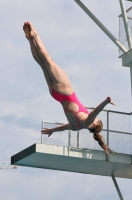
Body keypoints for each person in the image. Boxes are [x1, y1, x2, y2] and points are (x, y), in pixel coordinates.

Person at [23, 21, 115, 154]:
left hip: (65, 91)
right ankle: (31, 40)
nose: (94, 118)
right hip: (55, 94)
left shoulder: (87, 121)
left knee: (48, 60)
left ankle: (35, 35)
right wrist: (51, 130)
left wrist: (106, 101)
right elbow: (63, 127)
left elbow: (97, 110)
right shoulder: (76, 127)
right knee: (42, 64)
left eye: (96, 120)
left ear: (94, 124)